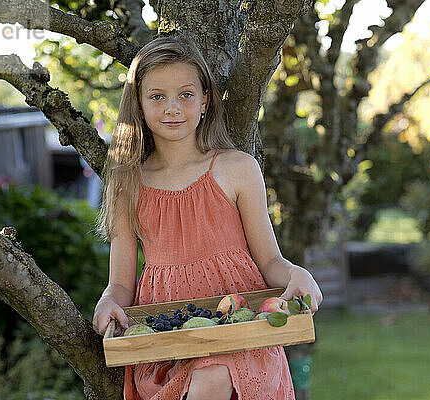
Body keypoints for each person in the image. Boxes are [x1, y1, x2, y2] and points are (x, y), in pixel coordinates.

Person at [93, 35, 323, 400]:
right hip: (170, 341)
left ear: (205, 101)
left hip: (241, 333)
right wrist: (108, 300)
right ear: (137, 105)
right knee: (207, 379)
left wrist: (298, 273)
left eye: (185, 94)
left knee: (214, 376)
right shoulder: (127, 183)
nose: (172, 108)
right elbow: (121, 284)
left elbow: (270, 261)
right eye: (157, 96)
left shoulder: (236, 168)